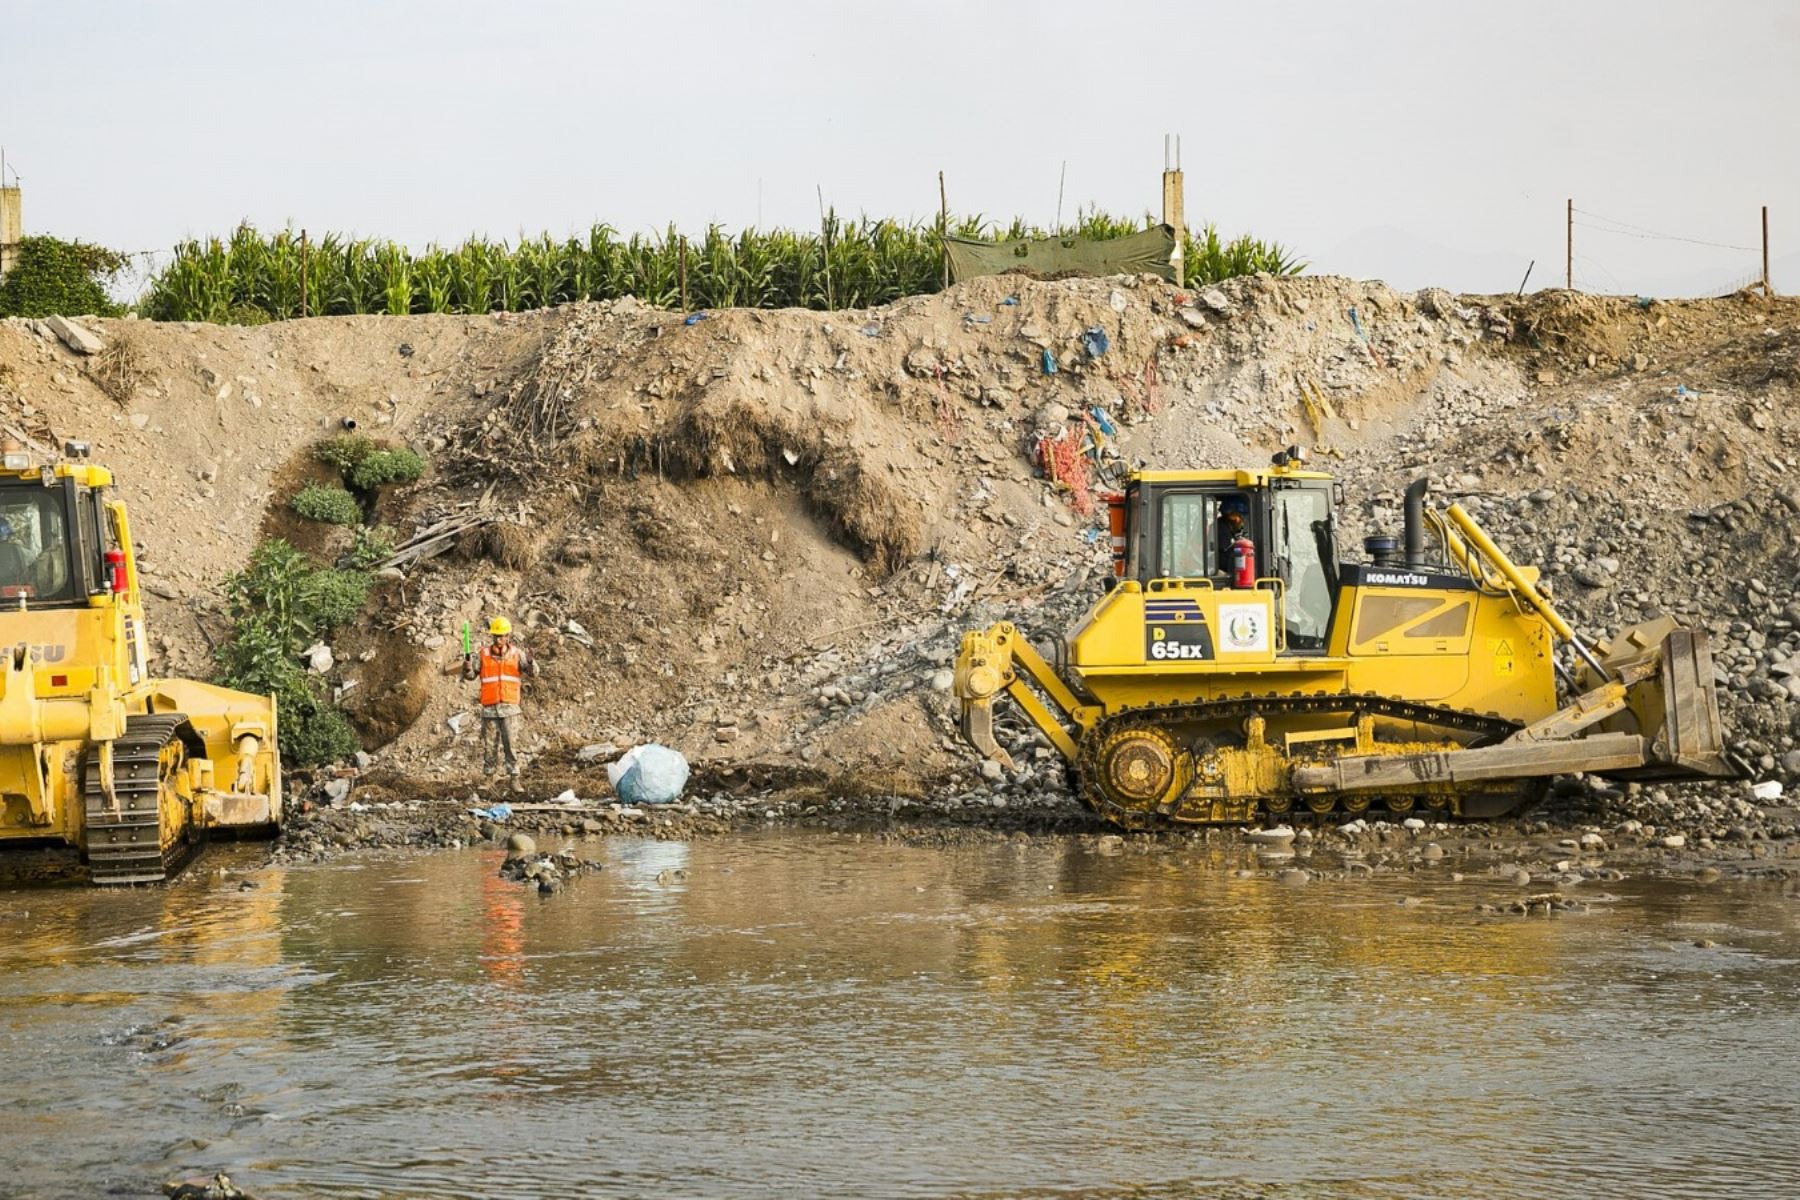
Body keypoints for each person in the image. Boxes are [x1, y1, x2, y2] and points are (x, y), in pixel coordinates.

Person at [454, 616, 539, 789]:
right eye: (497, 636)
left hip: (510, 708)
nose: (500, 639)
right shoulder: (483, 654)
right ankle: (488, 778)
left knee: (511, 745)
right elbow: (470, 676)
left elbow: (533, 673)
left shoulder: (517, 654)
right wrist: (467, 668)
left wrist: (530, 662)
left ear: (508, 636)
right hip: (490, 708)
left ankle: (514, 778)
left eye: (503, 636)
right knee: (490, 746)